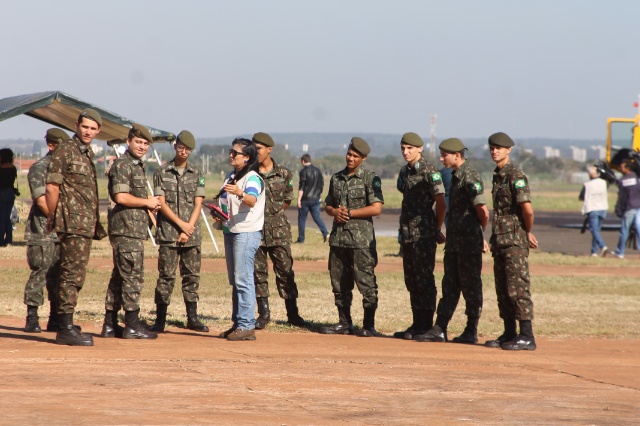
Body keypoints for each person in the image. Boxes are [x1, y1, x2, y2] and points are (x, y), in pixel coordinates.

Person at [415, 138, 489, 344]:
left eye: (444, 154)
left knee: (471, 286)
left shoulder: (469, 176)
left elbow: (483, 210)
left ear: (457, 155)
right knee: (450, 285)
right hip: (455, 243)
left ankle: (471, 329)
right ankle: (440, 328)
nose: (441, 158)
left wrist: (478, 231)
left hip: (468, 245)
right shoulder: (456, 176)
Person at [46, 108, 107, 346]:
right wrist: (53, 216)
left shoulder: (85, 152)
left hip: (83, 224)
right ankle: (64, 328)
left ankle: (65, 323)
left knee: (74, 274)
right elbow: (52, 187)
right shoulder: (66, 150)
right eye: (85, 127)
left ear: (98, 131)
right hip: (72, 223)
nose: (88, 131)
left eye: (93, 128)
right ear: (76, 125)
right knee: (71, 274)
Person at [101, 124, 160, 340]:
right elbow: (121, 197)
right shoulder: (124, 165)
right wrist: (147, 202)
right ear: (129, 142)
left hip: (131, 229)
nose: (142, 146)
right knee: (133, 277)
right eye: (139, 142)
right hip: (126, 229)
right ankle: (132, 325)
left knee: (119, 277)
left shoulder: (135, 165)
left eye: (146, 143)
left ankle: (109, 323)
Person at [320, 137, 384, 337]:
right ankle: (344, 323)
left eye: (356, 156)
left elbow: (377, 207)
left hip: (361, 242)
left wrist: (350, 213)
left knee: (366, 283)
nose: (351, 158)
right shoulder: (336, 178)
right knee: (339, 283)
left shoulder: (369, 179)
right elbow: (328, 204)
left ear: (363, 158)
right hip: (339, 239)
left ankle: (368, 325)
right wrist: (333, 211)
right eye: (349, 154)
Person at [484, 132, 539, 351]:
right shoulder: (497, 174)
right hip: (500, 239)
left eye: (499, 148)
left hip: (514, 240)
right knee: (503, 288)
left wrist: (526, 231)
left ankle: (527, 336)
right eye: (492, 148)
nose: (494, 151)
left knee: (518, 288)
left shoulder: (515, 175)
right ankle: (509, 332)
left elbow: (528, 210)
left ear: (509, 150)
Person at [150, 131, 208, 333]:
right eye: (181, 147)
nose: (184, 152)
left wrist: (189, 228)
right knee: (166, 276)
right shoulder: (162, 172)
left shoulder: (197, 173)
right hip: (169, 233)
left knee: (191, 276)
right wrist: (180, 225)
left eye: (188, 149)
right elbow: (161, 203)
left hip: (191, 235)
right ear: (175, 146)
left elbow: (198, 203)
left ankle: (192, 318)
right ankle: (160, 319)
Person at [393, 132, 446, 340]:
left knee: (424, 279)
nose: (405, 152)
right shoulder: (405, 172)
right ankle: (416, 323)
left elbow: (441, 202)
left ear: (420, 149)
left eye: (410, 149)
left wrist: (437, 228)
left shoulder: (430, 172)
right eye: (403, 148)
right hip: (407, 234)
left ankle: (425, 324)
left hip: (423, 233)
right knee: (412, 279)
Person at [212, 138, 265, 341]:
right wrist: (219, 214)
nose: (231, 155)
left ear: (247, 157)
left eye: (235, 153)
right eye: (231, 152)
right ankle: (238, 324)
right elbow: (226, 203)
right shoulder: (231, 176)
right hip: (231, 229)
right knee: (236, 280)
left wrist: (240, 192)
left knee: (243, 279)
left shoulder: (252, 178)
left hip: (246, 232)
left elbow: (251, 200)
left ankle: (246, 325)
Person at [252, 132, 305, 329]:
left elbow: (287, 200)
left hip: (278, 232)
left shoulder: (283, 173)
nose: (255, 152)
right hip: (255, 231)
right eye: (253, 148)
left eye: (258, 148)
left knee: (285, 272)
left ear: (268, 149)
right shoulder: (249, 173)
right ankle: (263, 314)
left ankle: (293, 313)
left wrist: (272, 215)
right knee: (259, 273)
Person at [22, 129, 67, 332]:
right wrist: (58, 220)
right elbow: (42, 201)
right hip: (43, 231)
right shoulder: (40, 168)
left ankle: (55, 317)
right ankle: (32, 318)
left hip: (61, 231)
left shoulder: (65, 169)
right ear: (51, 146)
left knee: (59, 276)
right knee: (40, 273)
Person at [610, 158, 640, 259]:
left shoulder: (623, 181)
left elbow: (621, 197)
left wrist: (618, 208)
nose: (620, 168)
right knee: (639, 228)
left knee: (624, 230)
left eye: (622, 167)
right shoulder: (635, 177)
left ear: (627, 168)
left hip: (630, 207)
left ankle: (620, 252)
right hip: (638, 206)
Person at [296, 153, 329, 243]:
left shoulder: (303, 172)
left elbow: (302, 186)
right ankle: (326, 233)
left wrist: (299, 199)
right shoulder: (318, 171)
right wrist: (319, 195)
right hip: (316, 199)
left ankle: (301, 239)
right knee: (317, 217)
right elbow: (321, 184)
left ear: (303, 161)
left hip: (305, 199)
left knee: (302, 219)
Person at [579, 165, 609, 257]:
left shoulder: (587, 185)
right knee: (597, 231)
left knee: (594, 230)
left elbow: (581, 197)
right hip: (603, 208)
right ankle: (594, 252)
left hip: (593, 209)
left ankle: (603, 246)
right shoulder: (604, 183)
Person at [0, 148, 18, 247]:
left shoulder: (1, 168)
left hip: (1, 193)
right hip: (10, 193)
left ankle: (1, 241)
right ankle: (9, 239)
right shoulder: (13, 168)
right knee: (7, 218)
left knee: (1, 218)